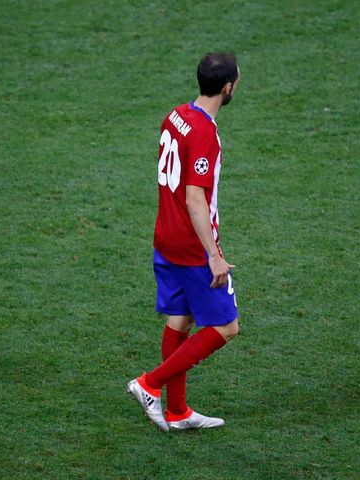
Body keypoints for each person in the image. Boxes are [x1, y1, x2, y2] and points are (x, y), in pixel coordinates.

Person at [127, 53, 241, 431]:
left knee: (181, 319)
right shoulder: (206, 133)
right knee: (226, 327)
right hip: (193, 246)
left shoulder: (175, 115)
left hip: (165, 237)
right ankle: (149, 384)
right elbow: (195, 199)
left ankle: (177, 412)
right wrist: (214, 256)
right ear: (227, 88)